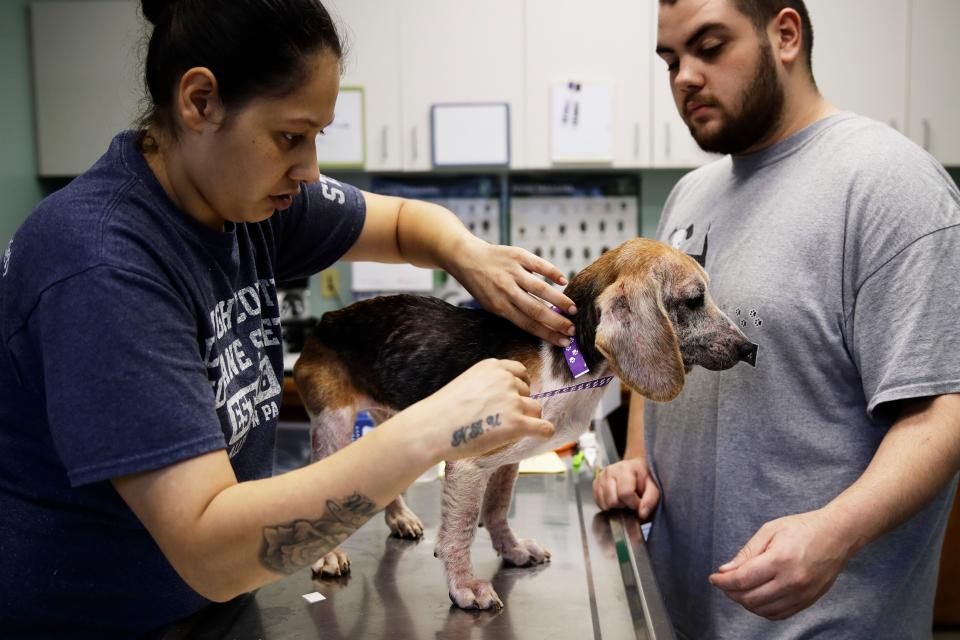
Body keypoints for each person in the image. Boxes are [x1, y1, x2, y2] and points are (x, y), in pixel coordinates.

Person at [0, 1, 580, 637]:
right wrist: (432, 426)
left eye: (317, 138)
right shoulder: (102, 265)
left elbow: (400, 222)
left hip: (217, 606)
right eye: (290, 137)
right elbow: (210, 550)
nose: (308, 171)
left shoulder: (244, 200)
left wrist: (467, 255)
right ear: (199, 101)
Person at [593, 0, 960, 637]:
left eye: (709, 47)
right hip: (680, 614)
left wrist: (833, 534)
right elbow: (656, 353)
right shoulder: (690, 196)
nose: (684, 76)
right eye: (671, 58)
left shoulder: (890, 184)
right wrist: (637, 459)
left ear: (784, 35)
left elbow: (941, 413)